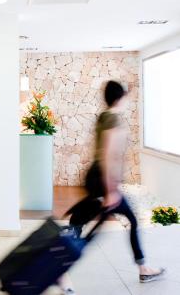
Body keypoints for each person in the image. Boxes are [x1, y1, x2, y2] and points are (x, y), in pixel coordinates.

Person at [68, 80, 164, 284]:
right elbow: (110, 155)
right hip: (104, 181)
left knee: (88, 219)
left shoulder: (104, 116)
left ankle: (68, 239)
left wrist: (128, 89)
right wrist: (111, 190)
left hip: (95, 177)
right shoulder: (114, 121)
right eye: (125, 97)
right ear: (120, 99)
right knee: (126, 219)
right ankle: (143, 268)